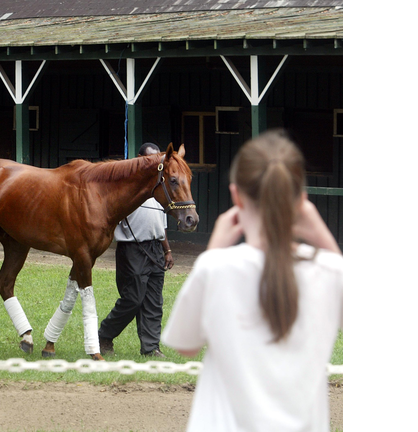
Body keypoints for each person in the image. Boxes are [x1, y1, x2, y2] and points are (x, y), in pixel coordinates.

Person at [161, 130, 343, 432]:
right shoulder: (330, 270)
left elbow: (186, 345)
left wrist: (214, 250)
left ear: (236, 197)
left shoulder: (216, 267)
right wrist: (322, 234)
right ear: (302, 199)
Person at [98, 142, 174, 358]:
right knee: (133, 298)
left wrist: (167, 250)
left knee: (153, 301)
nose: (152, 163)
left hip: (155, 248)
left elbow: (161, 224)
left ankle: (150, 348)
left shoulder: (160, 188)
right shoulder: (127, 186)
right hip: (132, 247)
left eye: (155, 159)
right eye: (148, 159)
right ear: (139, 159)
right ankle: (104, 335)